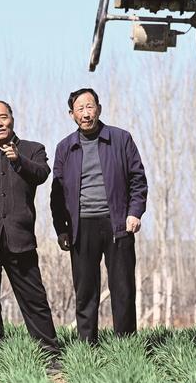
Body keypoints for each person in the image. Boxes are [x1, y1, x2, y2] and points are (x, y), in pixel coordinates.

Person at [50, 88, 147, 344]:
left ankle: (125, 344)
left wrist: (134, 212)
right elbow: (57, 194)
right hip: (81, 227)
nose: (86, 113)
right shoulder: (65, 148)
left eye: (90, 107)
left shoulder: (121, 139)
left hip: (118, 224)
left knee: (123, 288)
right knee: (85, 290)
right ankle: (86, 345)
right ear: (71, 114)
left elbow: (138, 179)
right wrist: (61, 229)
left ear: (99, 109)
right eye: (80, 109)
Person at [0, 100, 60, 360]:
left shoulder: (33, 149)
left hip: (20, 238)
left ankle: (49, 353)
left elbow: (42, 173)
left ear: (12, 119)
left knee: (34, 299)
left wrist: (18, 160)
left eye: (3, 117)